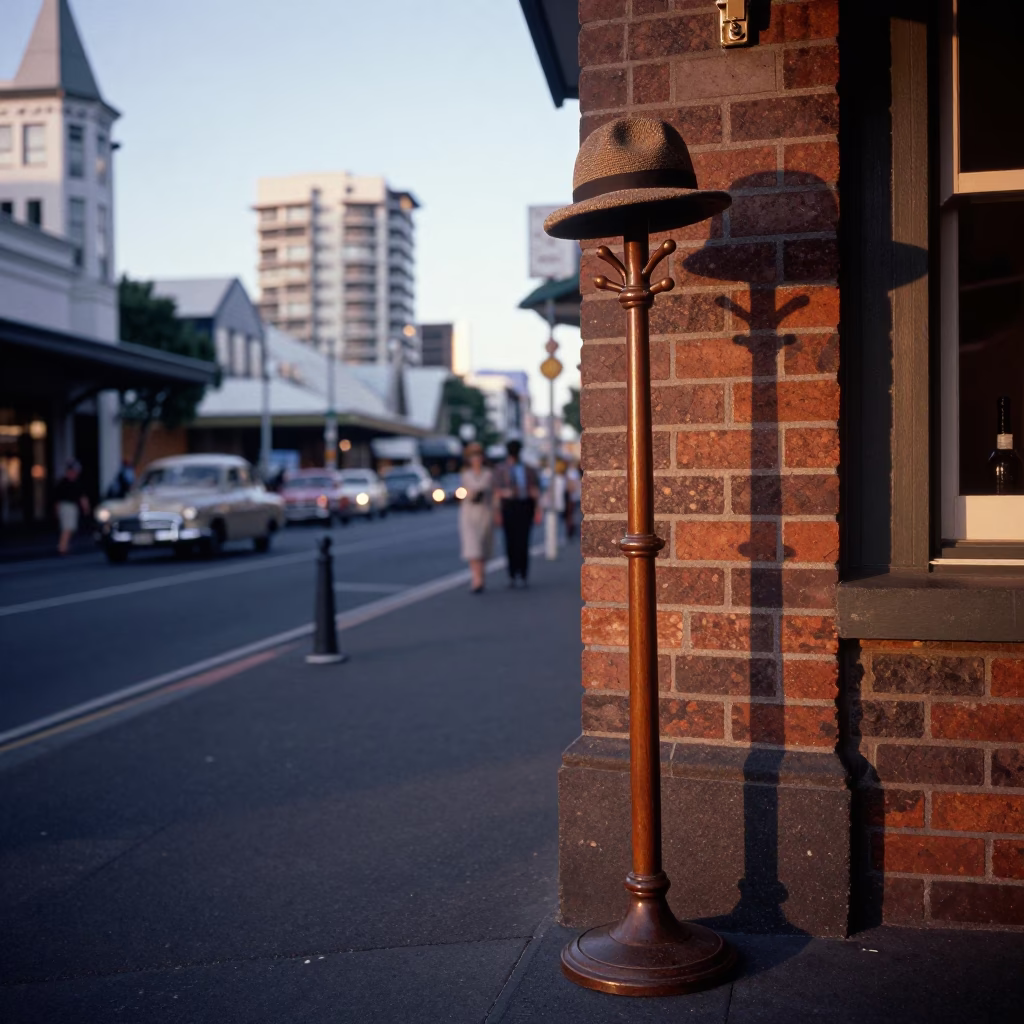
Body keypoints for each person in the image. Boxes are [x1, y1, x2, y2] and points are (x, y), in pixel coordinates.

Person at [492, 439, 541, 587]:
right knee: (510, 541)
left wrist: (538, 509)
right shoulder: (501, 469)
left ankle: (523, 573)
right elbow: (496, 491)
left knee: (523, 541)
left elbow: (535, 490)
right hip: (509, 505)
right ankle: (513, 573)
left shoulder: (528, 469)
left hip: (524, 505)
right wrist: (498, 511)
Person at [458, 442, 493, 594]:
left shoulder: (488, 474)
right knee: (472, 547)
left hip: (484, 512)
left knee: (483, 546)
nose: (476, 459)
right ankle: (476, 578)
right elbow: (462, 493)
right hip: (469, 512)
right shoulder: (465, 475)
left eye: (478, 455)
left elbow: (491, 493)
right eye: (473, 456)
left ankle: (481, 575)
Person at [54, 460, 90, 555]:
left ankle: (64, 546)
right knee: (67, 528)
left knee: (70, 528)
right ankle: (62, 547)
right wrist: (57, 510)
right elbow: (57, 499)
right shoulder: (63, 482)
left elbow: (82, 497)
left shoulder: (76, 483)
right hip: (65, 506)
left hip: (72, 506)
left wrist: (85, 508)